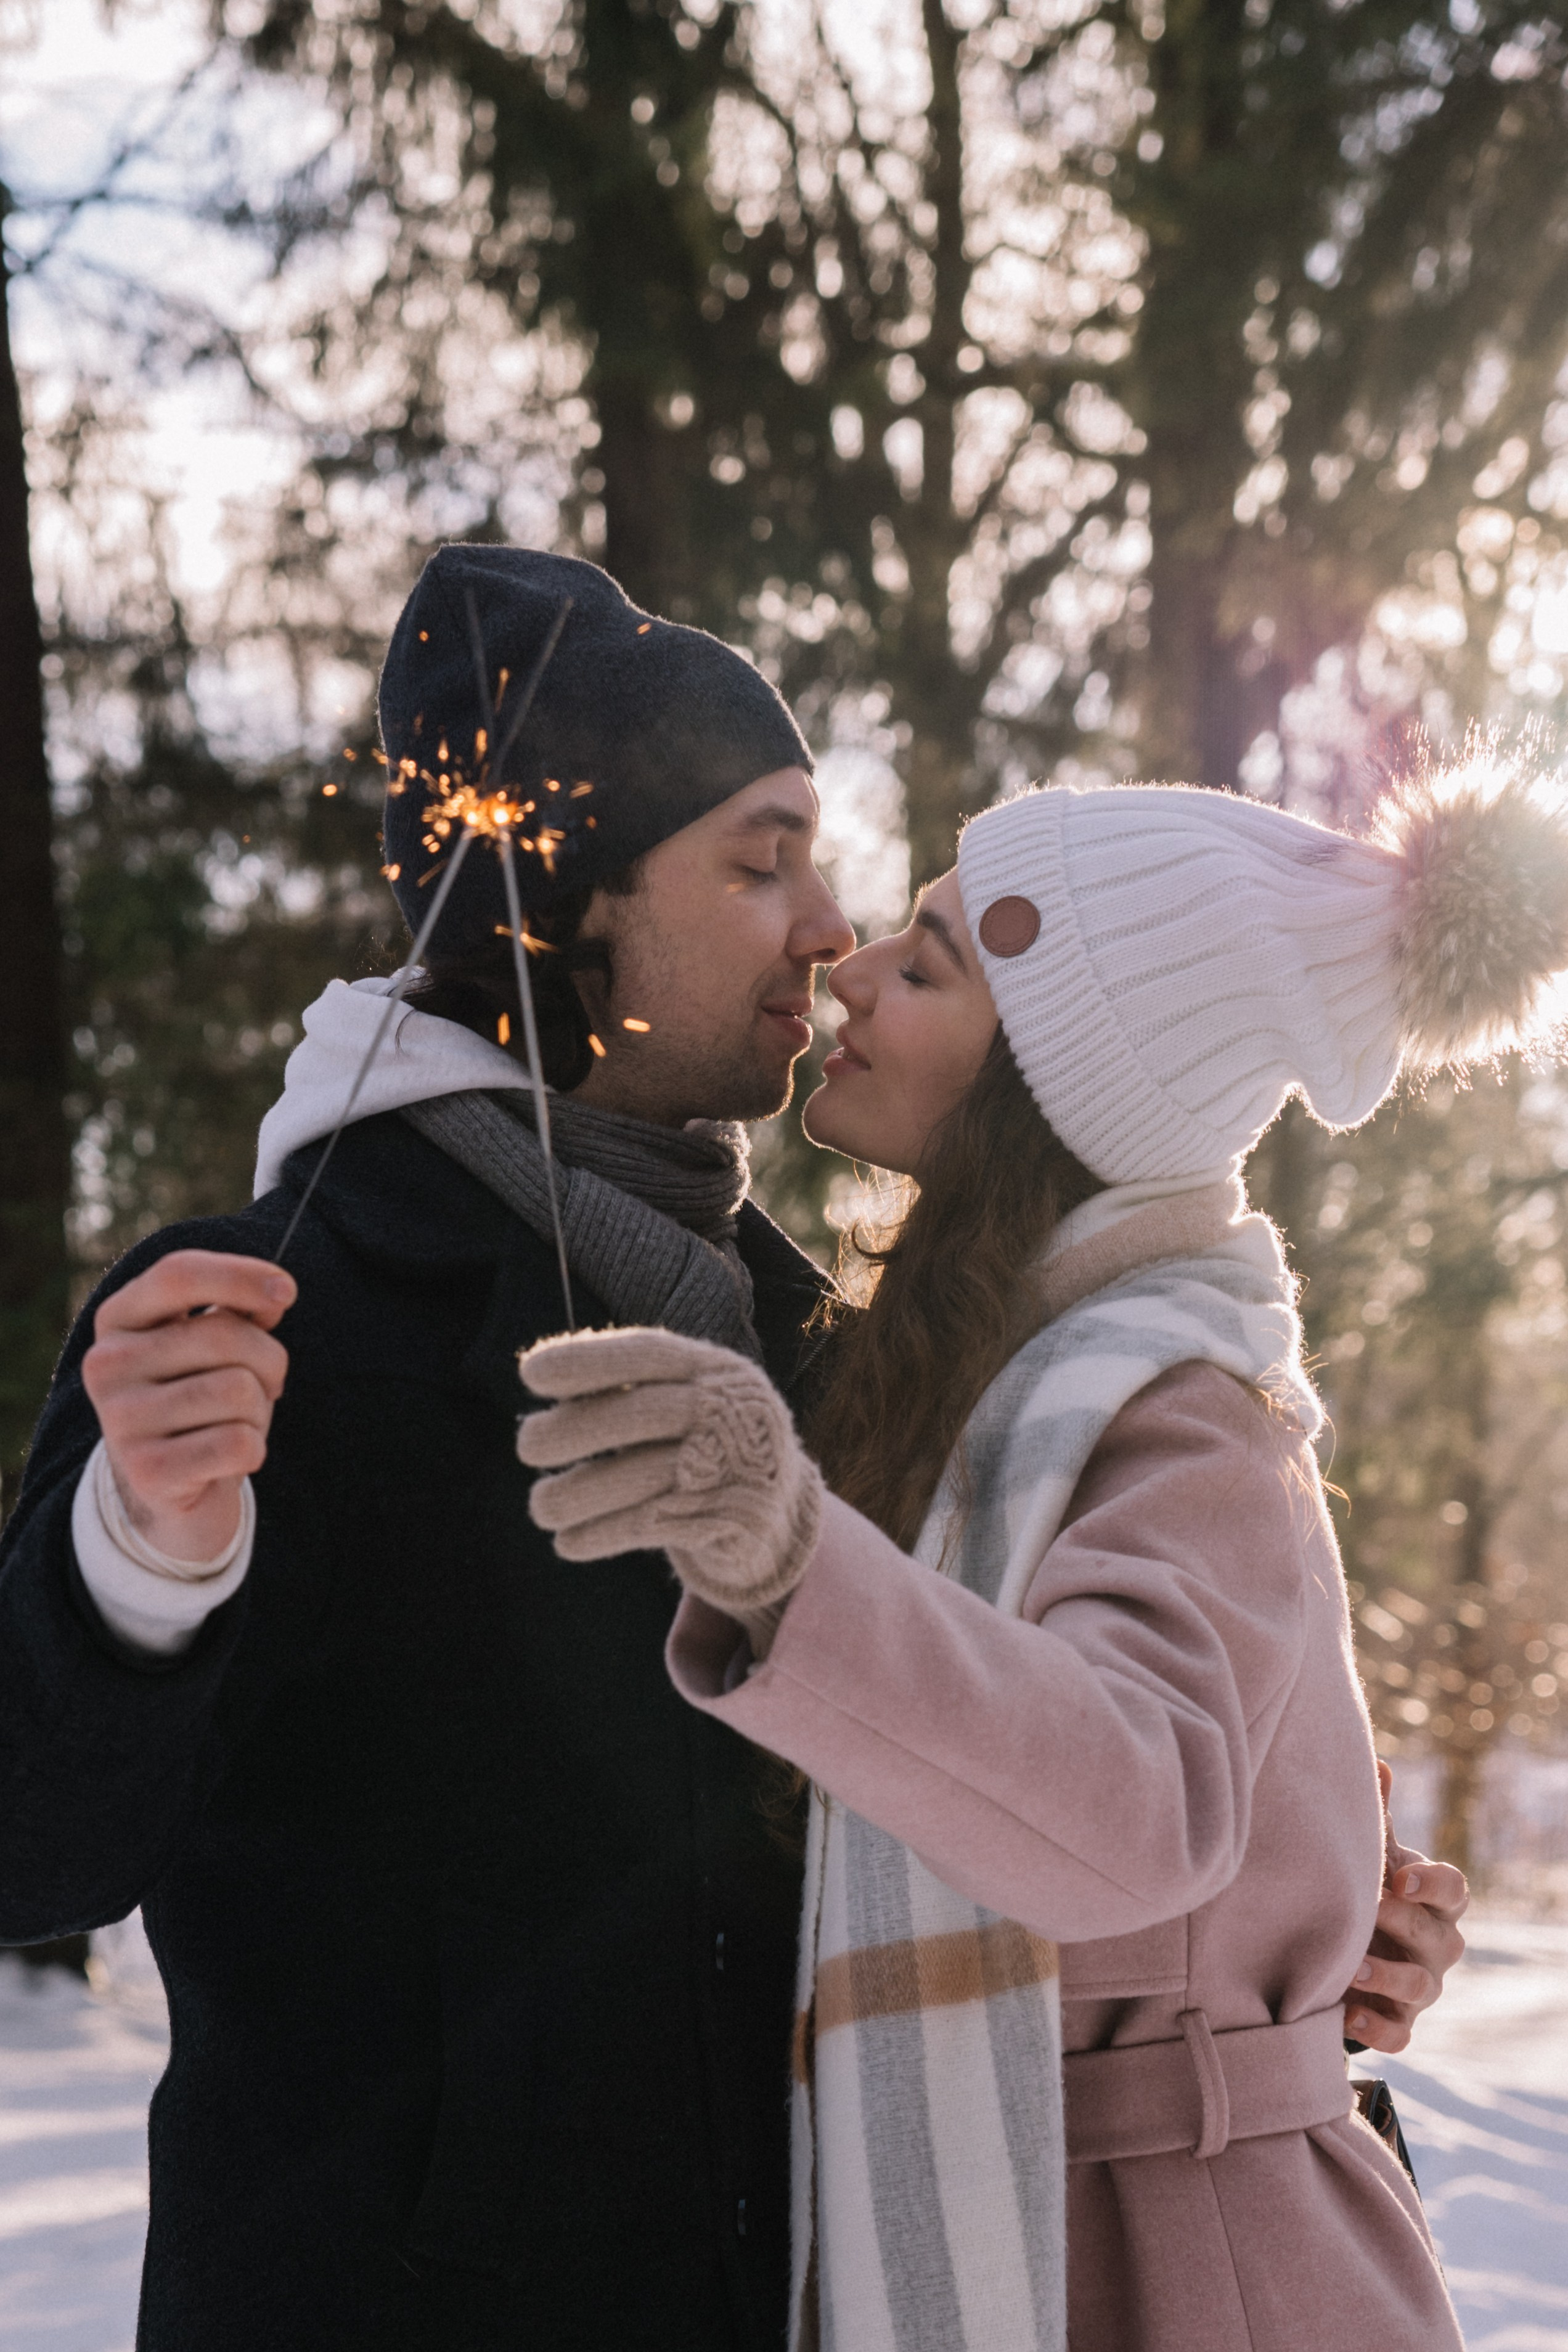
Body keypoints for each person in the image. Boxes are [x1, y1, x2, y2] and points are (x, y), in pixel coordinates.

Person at [0, 542, 1460, 2351]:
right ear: (565, 902)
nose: (830, 927)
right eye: (763, 861)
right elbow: (32, 1854)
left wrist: (1283, 1934)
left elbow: (1019, 1777)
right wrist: (138, 1561)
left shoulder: (837, 1360)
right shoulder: (277, 1325)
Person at [517, 766, 1559, 2349]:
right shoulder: (974, 1384)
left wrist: (793, 1563)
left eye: (930, 966)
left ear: (1053, 1091)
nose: (853, 967)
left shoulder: (1178, 1414)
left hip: (1191, 2271)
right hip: (1057, 2225)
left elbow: (1142, 1809)